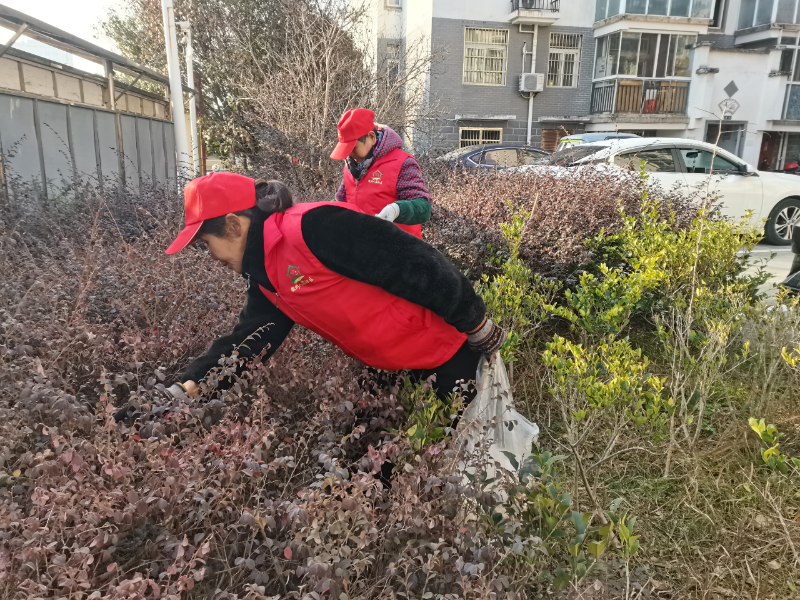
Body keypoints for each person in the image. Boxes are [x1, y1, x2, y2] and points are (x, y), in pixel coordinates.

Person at [162, 172, 504, 403]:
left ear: (233, 226)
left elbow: (412, 260)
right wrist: (195, 381)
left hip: (445, 353)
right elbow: (251, 338)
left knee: (460, 464)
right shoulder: (265, 275)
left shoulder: (314, 227)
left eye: (207, 244)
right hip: (391, 367)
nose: (211, 257)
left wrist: (474, 320)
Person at [330, 108, 432, 239]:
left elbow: (424, 208)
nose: (349, 155)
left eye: (353, 148)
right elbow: (341, 201)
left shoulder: (403, 163)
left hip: (399, 246)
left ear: (371, 137)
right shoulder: (351, 165)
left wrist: (396, 210)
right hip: (362, 245)